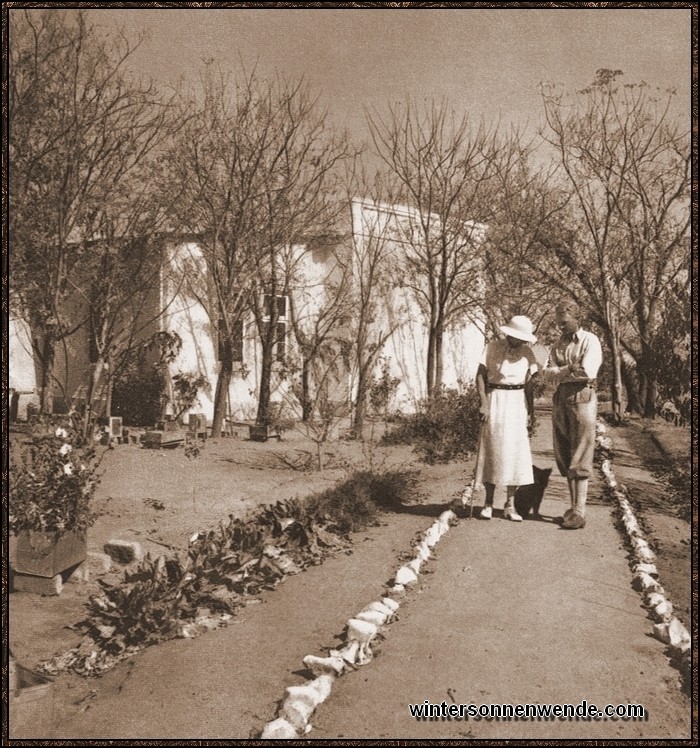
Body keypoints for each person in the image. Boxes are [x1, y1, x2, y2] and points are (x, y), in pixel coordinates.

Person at [543, 300, 603, 529]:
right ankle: (572, 507)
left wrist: (559, 373)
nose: (561, 327)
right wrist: (567, 369)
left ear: (577, 319)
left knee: (581, 451)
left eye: (565, 322)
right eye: (558, 323)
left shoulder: (590, 341)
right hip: (561, 399)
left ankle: (580, 510)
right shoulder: (558, 344)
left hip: (582, 397)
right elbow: (546, 374)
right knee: (564, 452)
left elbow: (587, 372)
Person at [475, 315, 539, 521]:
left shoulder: (528, 353)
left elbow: (529, 385)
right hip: (495, 400)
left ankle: (510, 504)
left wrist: (531, 412)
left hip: (517, 403)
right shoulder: (492, 347)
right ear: (508, 333)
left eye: (523, 338)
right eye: (516, 337)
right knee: (493, 449)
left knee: (514, 452)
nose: (519, 341)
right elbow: (480, 376)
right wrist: (484, 404)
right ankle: (488, 502)